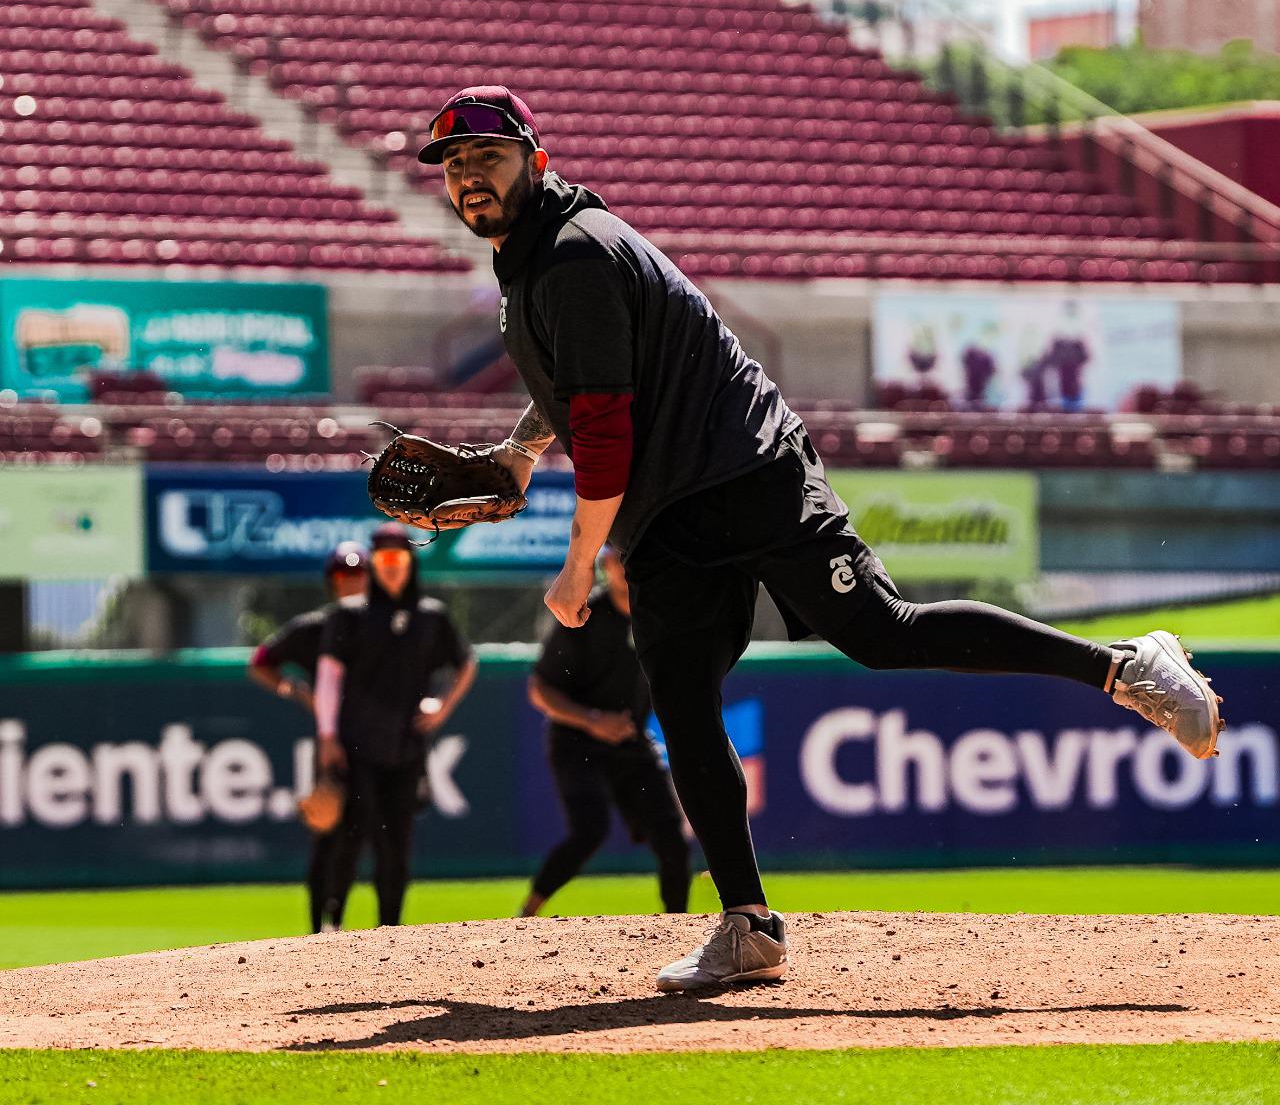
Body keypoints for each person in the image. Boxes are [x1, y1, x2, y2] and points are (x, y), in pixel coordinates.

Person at [417, 86, 1225, 991]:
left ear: (537, 158)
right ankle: (749, 927)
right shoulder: (534, 264)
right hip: (671, 512)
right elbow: (576, 378)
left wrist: (576, 566)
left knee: (885, 634)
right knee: (680, 697)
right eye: (453, 165)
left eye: (487, 157)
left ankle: (1128, 665)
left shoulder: (571, 255)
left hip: (746, 470)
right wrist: (522, 454)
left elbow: (603, 430)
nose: (469, 177)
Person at [314, 523, 476, 928]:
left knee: (397, 844)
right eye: (383, 560)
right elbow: (329, 680)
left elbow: (466, 663)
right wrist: (328, 736)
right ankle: (333, 921)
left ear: (410, 563)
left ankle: (391, 930)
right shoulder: (349, 616)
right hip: (356, 747)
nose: (390, 567)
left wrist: (442, 707)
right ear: (373, 565)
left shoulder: (431, 617)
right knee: (351, 836)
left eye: (398, 559)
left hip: (407, 747)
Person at [521, 544, 690, 918]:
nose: (622, 567)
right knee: (589, 831)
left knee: (672, 838)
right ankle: (526, 917)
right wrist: (593, 719)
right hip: (576, 742)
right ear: (604, 567)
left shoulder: (658, 612)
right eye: (614, 560)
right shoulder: (582, 615)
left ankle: (680, 927)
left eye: (628, 557)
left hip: (630, 744)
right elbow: (540, 689)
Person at [247, 541, 368, 933]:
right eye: (343, 575)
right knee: (327, 829)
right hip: (330, 744)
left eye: (358, 574)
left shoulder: (382, 626)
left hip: (373, 742)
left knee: (357, 835)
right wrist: (294, 690)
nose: (351, 581)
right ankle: (318, 929)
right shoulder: (315, 627)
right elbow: (261, 663)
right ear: (333, 581)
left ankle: (337, 918)